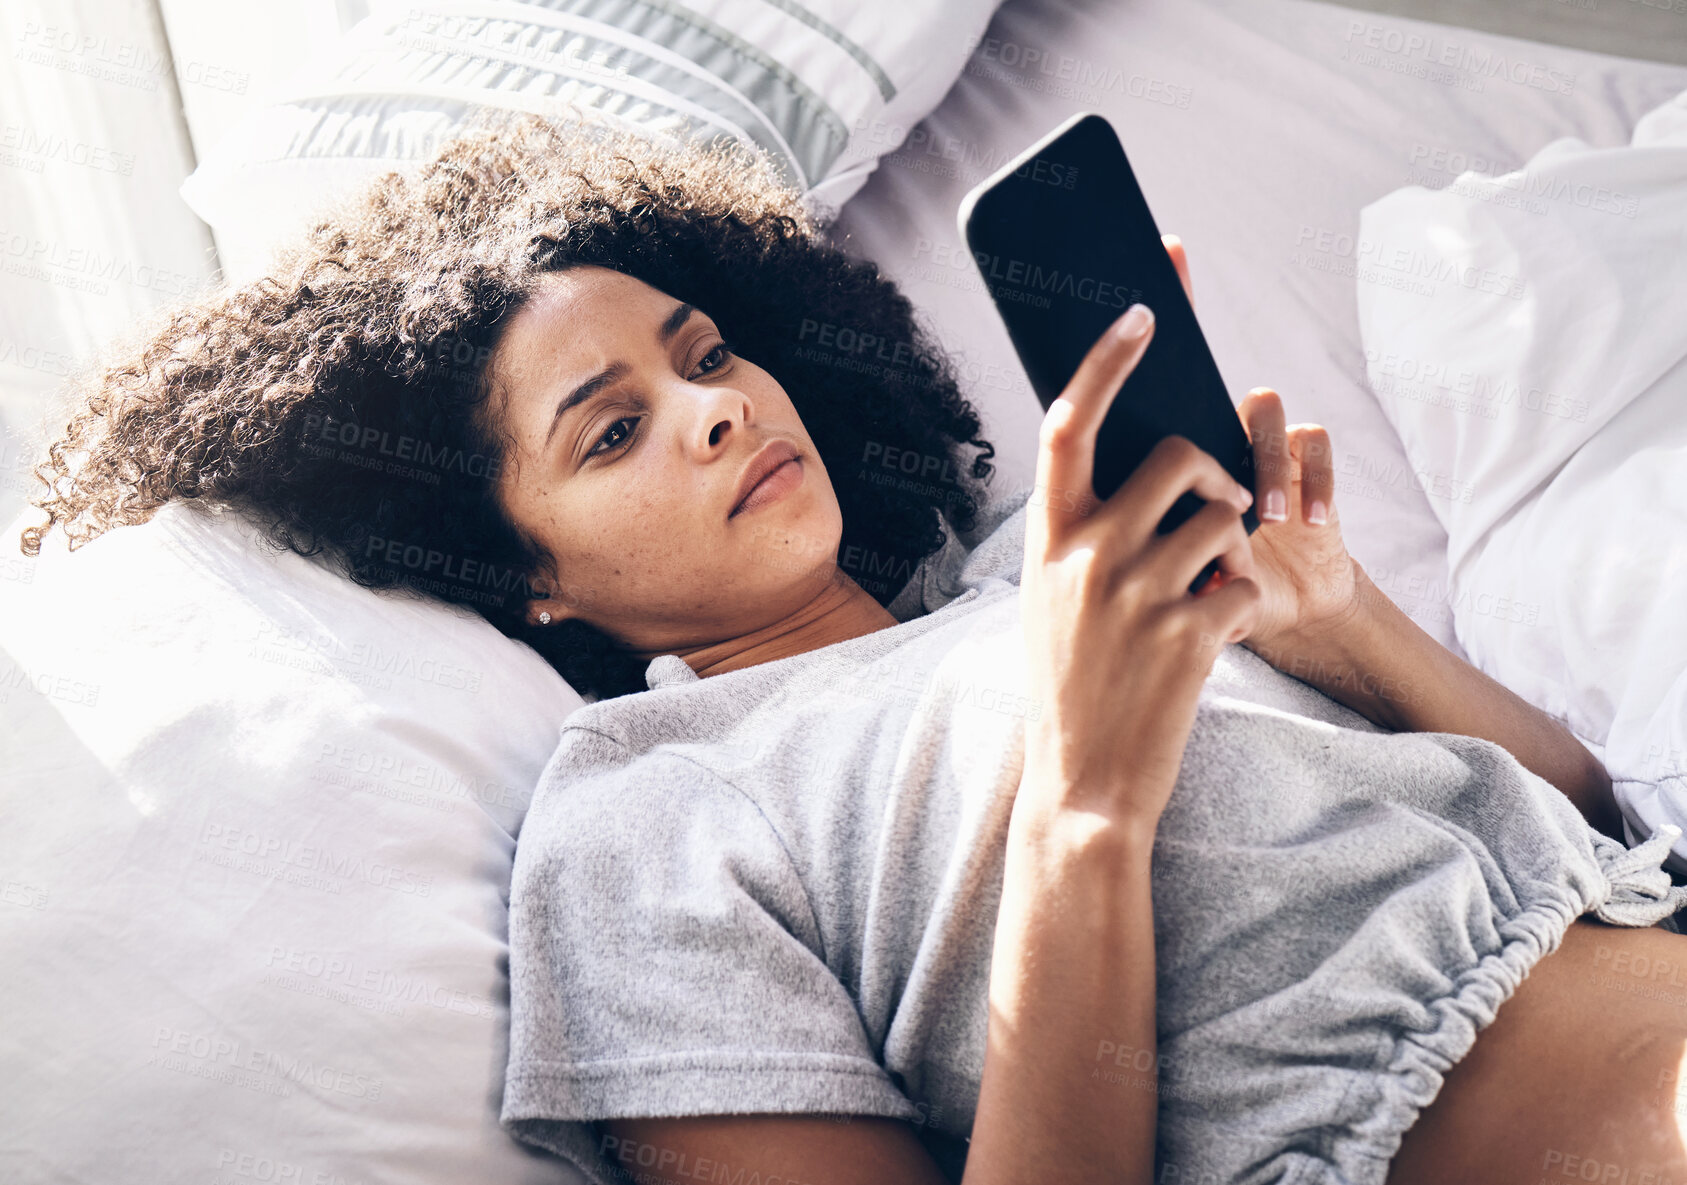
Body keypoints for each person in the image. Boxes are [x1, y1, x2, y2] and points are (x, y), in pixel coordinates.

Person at [20, 117, 1687, 1185]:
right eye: (613, 434)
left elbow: (1589, 820)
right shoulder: (640, 832)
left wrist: (1341, 618)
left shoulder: (1054, 573)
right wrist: (1084, 810)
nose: (719, 406)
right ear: (523, 579)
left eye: (707, 350)